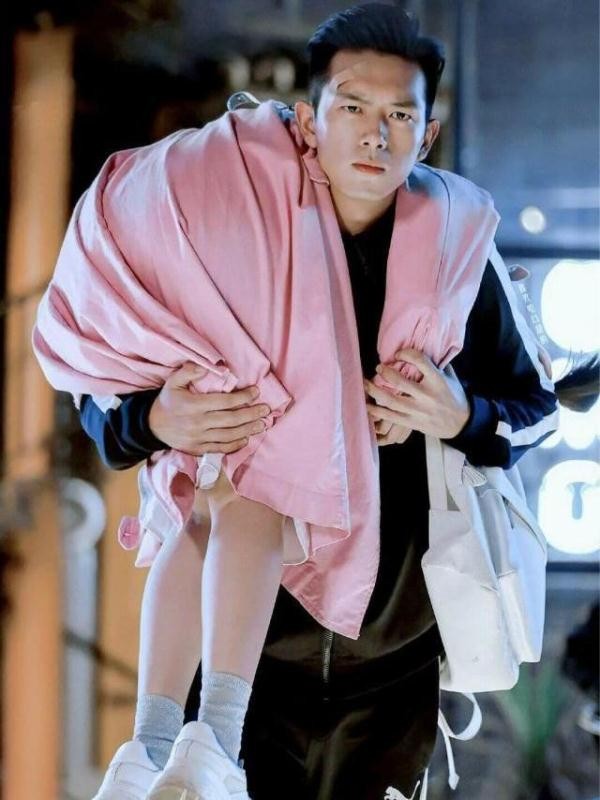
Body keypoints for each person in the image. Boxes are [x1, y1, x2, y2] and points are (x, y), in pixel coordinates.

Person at [44, 5, 558, 799]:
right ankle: (168, 745)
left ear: (427, 135)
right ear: (309, 121)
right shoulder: (239, 227)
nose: (375, 135)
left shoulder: (458, 252)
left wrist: (462, 417)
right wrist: (152, 419)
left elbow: (539, 410)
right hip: (244, 652)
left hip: (394, 660)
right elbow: (98, 385)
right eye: (352, 107)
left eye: (399, 116)